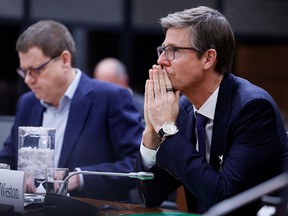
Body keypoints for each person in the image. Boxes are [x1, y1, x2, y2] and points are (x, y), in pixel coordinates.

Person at [135, 6, 288, 215]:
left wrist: (167, 129)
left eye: (174, 51)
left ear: (208, 58)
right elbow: (149, 196)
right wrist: (151, 134)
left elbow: (225, 200)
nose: (161, 60)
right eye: (162, 50)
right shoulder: (183, 109)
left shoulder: (253, 108)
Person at [0, 20, 144, 202]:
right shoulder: (28, 103)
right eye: (24, 72)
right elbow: (6, 160)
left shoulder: (110, 98)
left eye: (35, 70)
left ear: (64, 60)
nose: (28, 80)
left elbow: (138, 164)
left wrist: (79, 177)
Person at [94, 57, 144, 123]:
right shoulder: (94, 109)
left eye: (109, 86)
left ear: (124, 81)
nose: (104, 91)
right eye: (99, 86)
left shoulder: (144, 107)